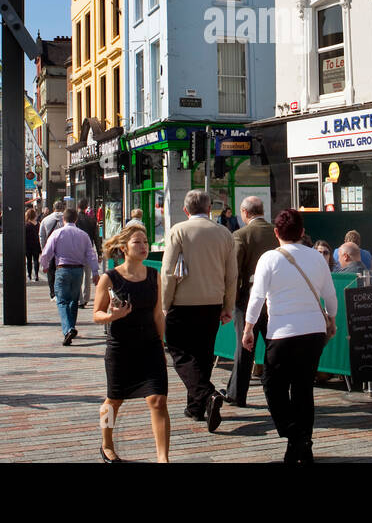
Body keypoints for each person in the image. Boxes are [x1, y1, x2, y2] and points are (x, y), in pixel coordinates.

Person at [243, 209, 336, 464]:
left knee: (273, 384)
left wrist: (248, 327)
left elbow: (257, 297)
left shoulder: (269, 259)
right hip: (313, 330)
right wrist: (332, 317)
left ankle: (293, 433)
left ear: (276, 233)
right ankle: (302, 442)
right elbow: (330, 295)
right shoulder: (317, 258)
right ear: (302, 232)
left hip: (282, 332)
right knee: (303, 387)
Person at [161, 189, 237, 433]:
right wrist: (227, 306)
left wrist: (165, 304)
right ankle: (196, 407)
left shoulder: (179, 231)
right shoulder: (224, 233)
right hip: (212, 302)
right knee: (203, 354)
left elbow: (168, 272)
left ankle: (206, 395)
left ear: (185, 210)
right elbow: (232, 275)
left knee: (180, 353)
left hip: (182, 303)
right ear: (209, 209)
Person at [93, 222, 169, 463]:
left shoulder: (154, 275)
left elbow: (158, 314)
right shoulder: (110, 278)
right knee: (113, 400)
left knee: (158, 400)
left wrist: (162, 343)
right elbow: (97, 315)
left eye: (146, 242)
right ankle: (107, 443)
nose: (144, 246)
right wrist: (112, 316)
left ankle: (162, 458)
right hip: (121, 347)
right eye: (138, 242)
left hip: (150, 345)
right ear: (124, 248)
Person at [226, 196, 277, 408]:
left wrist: (232, 300)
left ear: (245, 213)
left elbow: (235, 272)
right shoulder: (276, 233)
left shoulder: (241, 235)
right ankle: (276, 392)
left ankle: (238, 394)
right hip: (274, 299)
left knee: (245, 347)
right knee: (273, 347)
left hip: (247, 299)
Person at [39, 207, 99, 345]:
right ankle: (71, 327)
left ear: (63, 219)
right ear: (76, 219)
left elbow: (47, 252)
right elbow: (91, 255)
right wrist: (95, 272)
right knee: (73, 300)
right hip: (78, 271)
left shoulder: (57, 233)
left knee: (61, 300)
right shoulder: (83, 235)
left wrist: (45, 265)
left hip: (62, 270)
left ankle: (68, 329)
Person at [75, 199, 100, 307]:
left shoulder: (75, 220)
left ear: (78, 207)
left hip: (77, 250)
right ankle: (85, 298)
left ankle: (80, 299)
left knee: (78, 276)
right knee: (87, 275)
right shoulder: (92, 220)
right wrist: (99, 252)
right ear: (86, 207)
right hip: (89, 250)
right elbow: (96, 238)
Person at [39, 200, 65, 299]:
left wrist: (43, 249)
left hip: (50, 250)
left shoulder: (46, 220)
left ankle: (52, 293)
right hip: (63, 250)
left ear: (53, 208)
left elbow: (42, 235)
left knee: (51, 271)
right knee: (63, 270)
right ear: (62, 207)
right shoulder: (66, 219)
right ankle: (61, 291)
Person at [24, 207, 42, 281]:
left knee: (29, 261)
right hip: (36, 245)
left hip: (28, 245)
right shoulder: (38, 224)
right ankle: (36, 275)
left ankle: (29, 275)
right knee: (36, 260)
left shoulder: (26, 225)